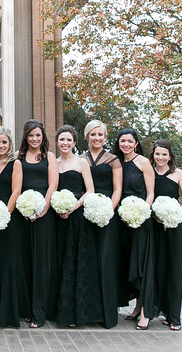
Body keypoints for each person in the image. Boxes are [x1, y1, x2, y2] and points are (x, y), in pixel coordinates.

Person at [54, 125, 102, 327]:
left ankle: (79, 313)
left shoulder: (81, 163)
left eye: (68, 140)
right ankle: (60, 311)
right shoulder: (53, 163)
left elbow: (90, 190)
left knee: (77, 261)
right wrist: (58, 208)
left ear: (74, 142)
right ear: (57, 142)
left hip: (77, 216)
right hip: (57, 217)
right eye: (61, 140)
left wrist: (73, 206)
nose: (65, 143)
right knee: (60, 262)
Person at [0, 126, 29, 328]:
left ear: (10, 144)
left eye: (4, 142)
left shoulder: (16, 163)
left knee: (10, 262)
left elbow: (16, 191)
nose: (1, 145)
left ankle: (10, 313)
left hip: (10, 220)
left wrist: (4, 215)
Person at [113, 128, 156, 330]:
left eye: (130, 141)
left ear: (136, 143)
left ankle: (146, 313)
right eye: (123, 141)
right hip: (121, 221)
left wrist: (140, 213)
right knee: (127, 262)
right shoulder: (116, 162)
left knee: (141, 265)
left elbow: (150, 194)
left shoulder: (144, 163)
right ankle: (136, 306)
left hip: (139, 221)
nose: (126, 144)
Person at [18, 119, 59, 328]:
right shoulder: (19, 157)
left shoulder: (49, 157)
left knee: (42, 262)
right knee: (26, 261)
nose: (35, 139)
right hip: (23, 215)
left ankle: (40, 312)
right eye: (31, 135)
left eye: (38, 135)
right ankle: (27, 308)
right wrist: (23, 208)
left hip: (44, 214)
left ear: (43, 137)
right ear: (26, 137)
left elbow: (53, 184)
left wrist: (44, 206)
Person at [83, 120, 122, 328]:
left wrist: (108, 210)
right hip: (86, 214)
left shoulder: (113, 160)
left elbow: (118, 189)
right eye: (93, 134)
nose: (97, 138)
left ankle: (107, 314)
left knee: (106, 261)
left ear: (105, 137)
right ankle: (89, 312)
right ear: (87, 136)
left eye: (100, 135)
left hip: (107, 214)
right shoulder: (81, 159)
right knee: (88, 261)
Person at [151, 139, 182, 331]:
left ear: (170, 156)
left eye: (164, 154)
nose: (160, 157)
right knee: (158, 267)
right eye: (157, 154)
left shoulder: (177, 173)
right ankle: (159, 309)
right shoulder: (149, 172)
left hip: (175, 226)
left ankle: (174, 316)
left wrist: (175, 214)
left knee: (174, 269)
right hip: (155, 225)